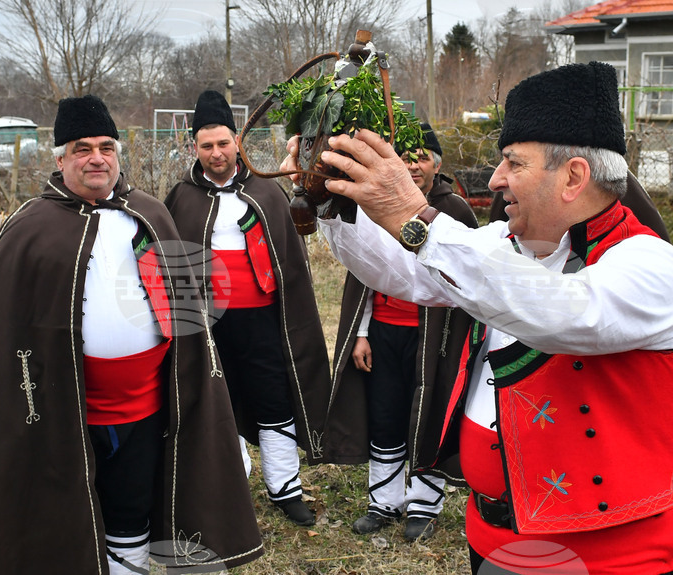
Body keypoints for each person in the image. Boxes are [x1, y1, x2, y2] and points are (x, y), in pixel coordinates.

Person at [297, 62, 673, 572]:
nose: (495, 180)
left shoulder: (651, 264)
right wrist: (330, 203)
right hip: (493, 535)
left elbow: (564, 313)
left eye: (514, 163)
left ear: (573, 177)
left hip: (612, 553)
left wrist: (418, 218)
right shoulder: (504, 246)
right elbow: (404, 273)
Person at [0, 94, 263, 574]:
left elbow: (186, 308)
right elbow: (8, 335)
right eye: (82, 148)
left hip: (146, 403)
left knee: (132, 507)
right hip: (67, 408)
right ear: (61, 159)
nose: (97, 158)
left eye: (106, 147)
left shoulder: (149, 214)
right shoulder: (28, 229)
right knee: (75, 507)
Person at [164, 90, 333, 527]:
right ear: (194, 148)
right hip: (207, 323)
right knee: (217, 400)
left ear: (237, 142)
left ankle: (285, 487)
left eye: (223, 143)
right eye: (207, 146)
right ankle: (230, 485)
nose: (217, 153)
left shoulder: (267, 191)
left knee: (272, 398)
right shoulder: (181, 197)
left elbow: (292, 263)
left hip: (263, 319)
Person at [327, 124, 478, 542]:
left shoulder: (456, 211)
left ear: (437, 164)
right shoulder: (377, 204)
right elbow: (363, 273)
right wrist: (360, 332)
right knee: (387, 415)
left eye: (421, 156)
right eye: (405, 155)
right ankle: (384, 502)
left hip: (435, 339)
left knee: (427, 414)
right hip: (383, 333)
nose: (412, 164)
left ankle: (424, 505)